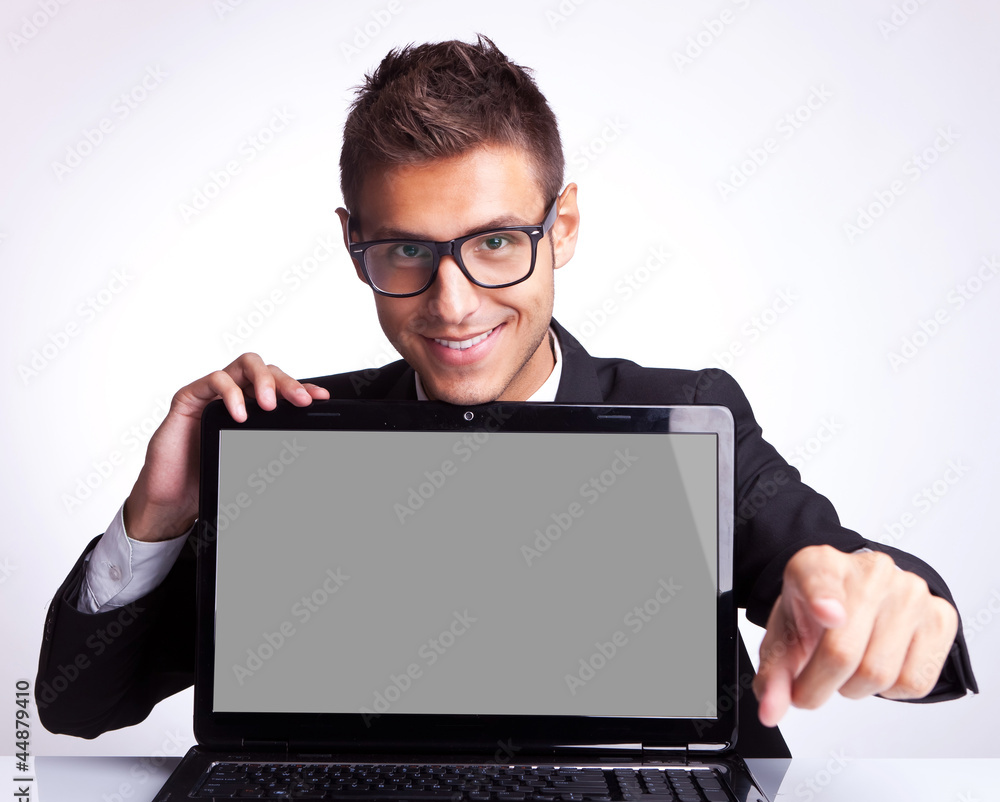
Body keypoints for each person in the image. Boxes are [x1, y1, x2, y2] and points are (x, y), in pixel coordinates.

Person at [35, 36, 976, 754]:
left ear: (561, 226)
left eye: (494, 243)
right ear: (353, 243)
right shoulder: (294, 438)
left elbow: (854, 587)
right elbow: (78, 707)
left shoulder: (693, 417)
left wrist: (899, 611)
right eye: (405, 250)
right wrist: (156, 516)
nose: (452, 306)